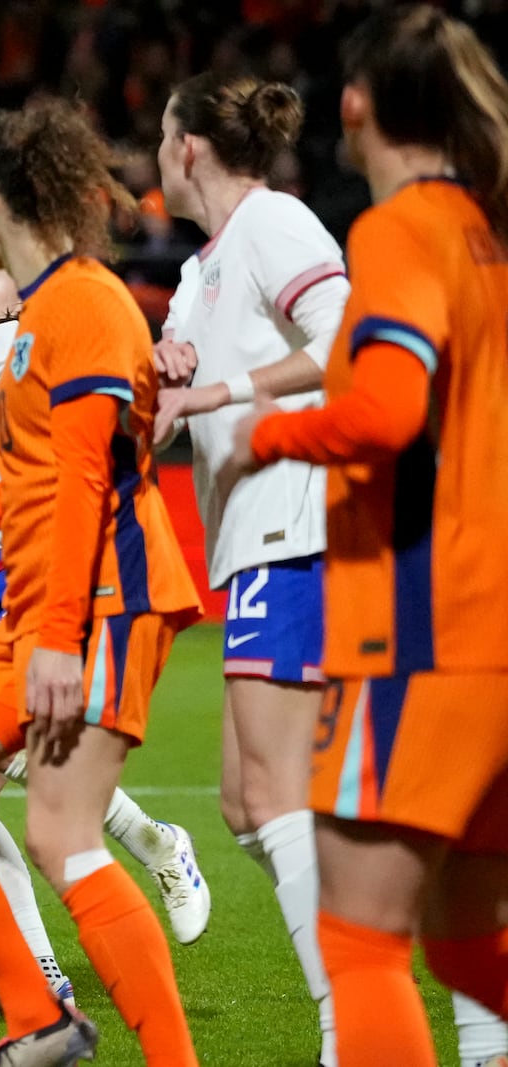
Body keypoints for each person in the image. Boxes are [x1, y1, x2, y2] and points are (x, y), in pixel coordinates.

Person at [0, 101, 204, 1066]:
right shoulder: (48, 303)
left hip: (104, 600)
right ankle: (43, 1016)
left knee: (64, 835)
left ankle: (169, 1055)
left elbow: (91, 487)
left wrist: (58, 637)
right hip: (40, 598)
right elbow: (39, 482)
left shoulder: (87, 304)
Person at [235, 8, 508, 1065]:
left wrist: (268, 431)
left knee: (360, 941)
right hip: (488, 638)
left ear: (353, 105)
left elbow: (387, 411)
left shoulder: (399, 228)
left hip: (417, 631)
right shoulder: (487, 232)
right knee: (457, 941)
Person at [0, 257, 211, 1020]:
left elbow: (26, 409)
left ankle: (152, 844)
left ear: (24, 288)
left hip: (26, 577)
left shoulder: (23, 339)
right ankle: (36, 970)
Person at [149, 70, 353, 1065]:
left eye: (157, 138)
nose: (153, 156)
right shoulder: (201, 270)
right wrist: (159, 379)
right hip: (251, 543)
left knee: (275, 796)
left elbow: (347, 339)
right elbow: (164, 402)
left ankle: (350, 1020)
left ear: (187, 147)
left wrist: (217, 387)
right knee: (244, 804)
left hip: (298, 524)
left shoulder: (276, 225)